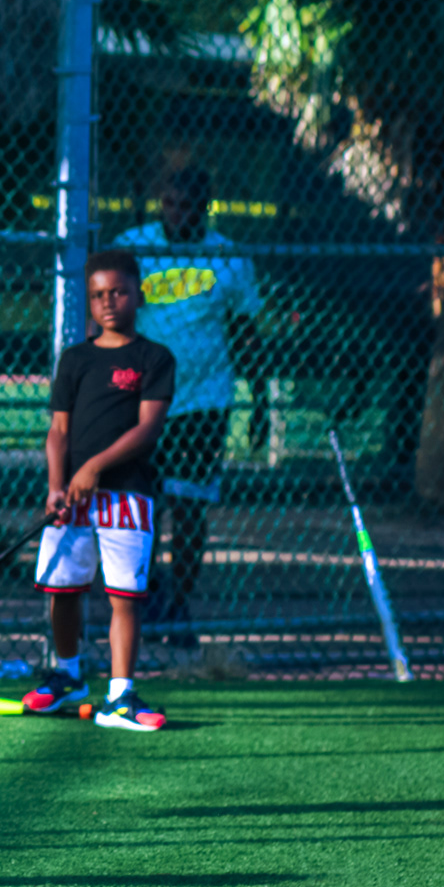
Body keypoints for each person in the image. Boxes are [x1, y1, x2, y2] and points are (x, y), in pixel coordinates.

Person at [24, 250, 175, 732]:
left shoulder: (154, 358)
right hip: (72, 499)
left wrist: (94, 467)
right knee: (63, 588)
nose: (108, 302)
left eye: (118, 292)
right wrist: (56, 486)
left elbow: (147, 429)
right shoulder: (76, 359)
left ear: (138, 295)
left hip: (127, 495)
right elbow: (58, 431)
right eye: (97, 295)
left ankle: (119, 695)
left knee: (124, 596)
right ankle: (68, 676)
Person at [113, 163, 263, 647]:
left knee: (190, 505)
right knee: (142, 504)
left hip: (204, 399)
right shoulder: (134, 247)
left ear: (205, 208)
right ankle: (145, 594)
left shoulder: (228, 258)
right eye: (170, 204)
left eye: (188, 206)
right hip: (143, 400)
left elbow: (245, 332)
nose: (178, 214)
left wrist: (260, 398)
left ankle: (179, 607)